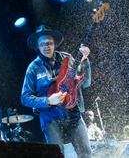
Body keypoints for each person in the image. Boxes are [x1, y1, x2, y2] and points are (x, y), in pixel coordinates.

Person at [21, 25, 92, 158]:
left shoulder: (67, 58)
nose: (46, 47)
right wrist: (47, 101)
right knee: (56, 155)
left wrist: (85, 60)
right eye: (42, 44)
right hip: (50, 117)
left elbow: (86, 83)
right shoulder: (33, 68)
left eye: (49, 43)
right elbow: (25, 97)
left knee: (86, 152)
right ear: (37, 46)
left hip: (73, 113)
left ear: (54, 44)